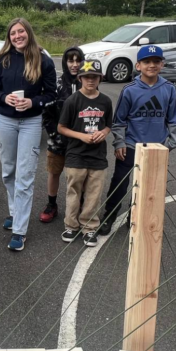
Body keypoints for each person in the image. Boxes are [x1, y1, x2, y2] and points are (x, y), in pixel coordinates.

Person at [0, 18, 57, 251]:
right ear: (9, 37)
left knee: (25, 175)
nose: (17, 36)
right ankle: (15, 213)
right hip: (6, 121)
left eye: (21, 31)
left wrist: (33, 102)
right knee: (8, 172)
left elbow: (51, 94)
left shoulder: (43, 60)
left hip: (30, 122)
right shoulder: (2, 59)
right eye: (13, 33)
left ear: (29, 33)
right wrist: (4, 98)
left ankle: (20, 230)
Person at [98, 45, 176, 236]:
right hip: (130, 146)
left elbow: (174, 120)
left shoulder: (169, 89)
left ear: (162, 64)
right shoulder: (129, 90)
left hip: (157, 147)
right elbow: (119, 121)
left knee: (149, 185)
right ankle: (109, 216)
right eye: (147, 62)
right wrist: (119, 143)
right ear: (138, 65)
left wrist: (169, 145)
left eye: (156, 62)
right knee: (120, 182)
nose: (151, 65)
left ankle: (135, 216)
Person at [56, 60, 114, 247]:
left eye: (94, 77)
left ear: (100, 78)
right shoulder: (73, 101)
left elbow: (108, 125)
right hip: (76, 155)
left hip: (98, 156)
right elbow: (62, 128)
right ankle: (71, 225)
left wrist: (103, 133)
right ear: (80, 78)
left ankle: (89, 227)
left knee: (94, 194)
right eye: (87, 77)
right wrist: (81, 136)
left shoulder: (105, 101)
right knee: (74, 191)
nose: (90, 80)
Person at [39, 46, 84, 223]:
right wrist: (54, 133)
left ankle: (79, 205)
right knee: (54, 172)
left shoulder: (87, 83)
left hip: (81, 141)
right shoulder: (56, 84)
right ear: (65, 62)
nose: (74, 64)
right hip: (58, 140)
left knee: (79, 175)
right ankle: (52, 205)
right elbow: (46, 112)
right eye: (70, 60)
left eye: (78, 60)